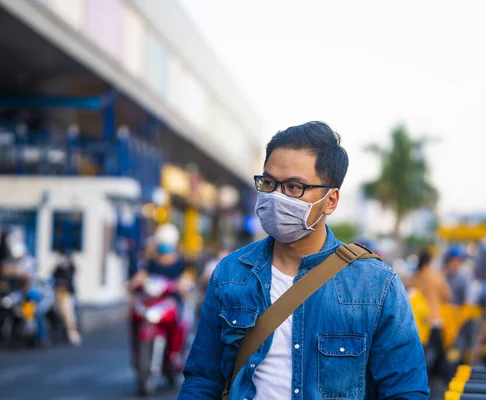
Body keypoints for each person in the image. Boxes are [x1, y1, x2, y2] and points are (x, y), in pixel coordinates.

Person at [179, 121, 428, 399]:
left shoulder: (376, 285)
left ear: (330, 201)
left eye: (294, 187)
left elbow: (406, 390)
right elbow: (203, 379)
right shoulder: (230, 273)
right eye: (269, 182)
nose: (276, 196)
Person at [128, 223, 195, 370]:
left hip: (172, 302)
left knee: (182, 323)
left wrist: (183, 284)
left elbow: (187, 279)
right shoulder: (151, 261)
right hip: (153, 301)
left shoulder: (180, 261)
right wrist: (132, 283)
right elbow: (141, 275)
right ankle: (137, 355)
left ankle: (175, 355)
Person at [407, 250, 453, 379]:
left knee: (421, 352)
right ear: (430, 262)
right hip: (435, 319)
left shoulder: (414, 278)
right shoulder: (436, 277)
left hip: (420, 322)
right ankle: (440, 381)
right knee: (440, 353)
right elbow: (447, 295)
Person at [52, 249, 81, 346]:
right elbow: (53, 276)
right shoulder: (58, 268)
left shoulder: (71, 267)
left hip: (69, 293)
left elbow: (70, 276)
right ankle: (64, 333)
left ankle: (73, 333)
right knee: (63, 314)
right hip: (60, 294)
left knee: (71, 314)